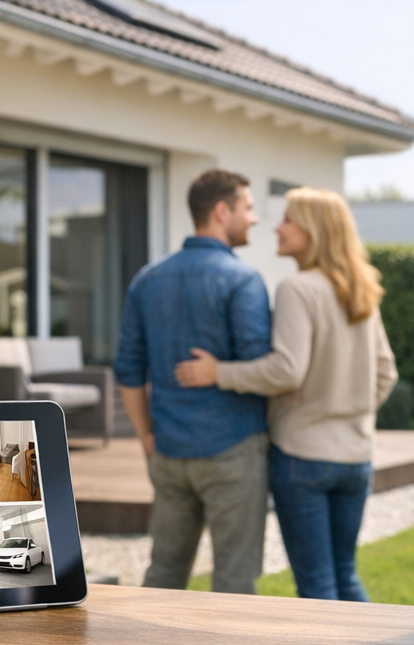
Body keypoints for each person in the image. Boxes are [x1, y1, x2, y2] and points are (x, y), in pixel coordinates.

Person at [174, 187, 397, 601]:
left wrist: (217, 372)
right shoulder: (361, 288)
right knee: (345, 575)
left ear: (314, 229)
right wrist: (349, 411)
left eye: (288, 219)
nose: (277, 227)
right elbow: (386, 372)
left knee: (317, 584)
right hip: (356, 457)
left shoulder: (298, 287)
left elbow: (285, 371)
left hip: (303, 459)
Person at [113, 169, 271, 594]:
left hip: (168, 452)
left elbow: (127, 369)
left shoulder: (147, 279)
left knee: (163, 574)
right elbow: (263, 369)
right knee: (235, 582)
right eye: (249, 207)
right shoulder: (244, 280)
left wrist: (146, 434)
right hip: (234, 451)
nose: (255, 218)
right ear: (222, 211)